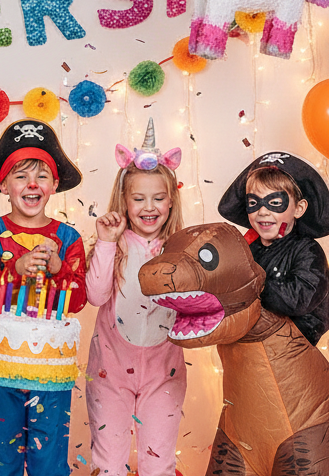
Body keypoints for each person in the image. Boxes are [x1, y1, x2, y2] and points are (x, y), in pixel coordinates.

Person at [0, 118, 86, 476]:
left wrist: (58, 269)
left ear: (55, 185)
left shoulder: (68, 238)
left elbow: (78, 299)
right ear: (3, 185)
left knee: (48, 456)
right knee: (0, 455)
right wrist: (15, 268)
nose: (32, 184)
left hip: (51, 369)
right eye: (21, 176)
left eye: (42, 176)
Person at [85, 119, 187, 476]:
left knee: (158, 463)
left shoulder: (181, 250)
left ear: (171, 201)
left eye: (158, 198)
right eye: (139, 199)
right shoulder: (116, 245)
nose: (149, 207)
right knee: (109, 464)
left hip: (164, 373)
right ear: (124, 201)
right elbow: (96, 296)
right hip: (109, 370)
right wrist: (106, 243)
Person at [217, 151, 329, 347]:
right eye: (254, 203)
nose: (263, 211)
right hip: (249, 347)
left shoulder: (308, 251)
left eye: (274, 203)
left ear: (299, 208)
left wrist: (250, 286)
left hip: (293, 350)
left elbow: (300, 298)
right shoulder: (246, 249)